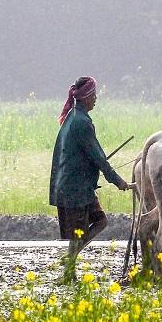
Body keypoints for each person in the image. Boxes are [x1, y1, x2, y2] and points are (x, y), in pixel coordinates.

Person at [49, 75, 131, 282]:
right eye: (94, 95)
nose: (96, 99)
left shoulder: (72, 116)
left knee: (96, 223)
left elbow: (88, 156)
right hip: (75, 188)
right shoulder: (82, 122)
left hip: (73, 185)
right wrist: (118, 181)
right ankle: (69, 267)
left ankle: (69, 267)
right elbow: (99, 158)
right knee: (86, 229)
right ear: (85, 98)